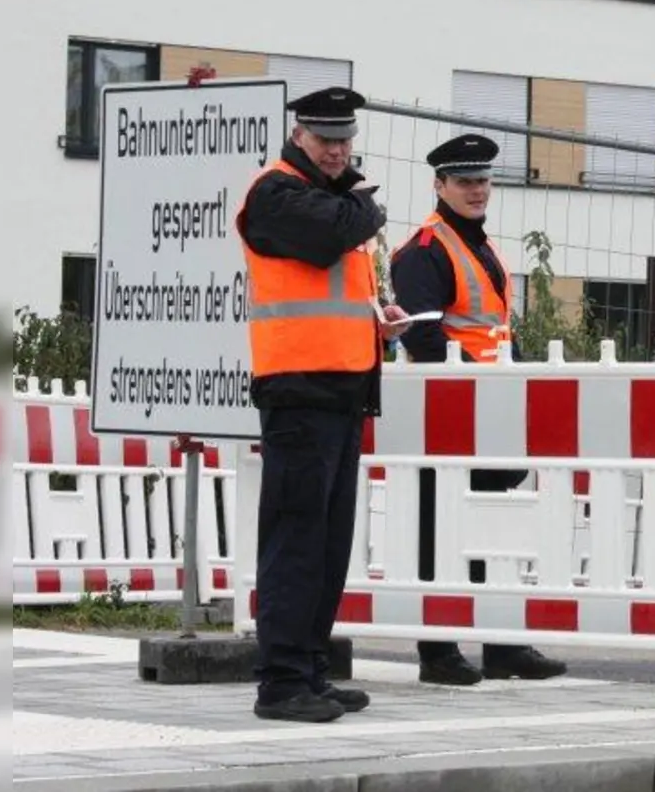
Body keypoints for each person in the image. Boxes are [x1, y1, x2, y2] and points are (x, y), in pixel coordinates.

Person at [236, 86, 410, 722]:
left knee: (329, 543)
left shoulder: (333, 199)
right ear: (299, 136)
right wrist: (365, 207)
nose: (338, 151)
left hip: (342, 388)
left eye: (344, 141)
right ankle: (280, 682)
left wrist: (377, 318)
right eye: (326, 140)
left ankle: (308, 669)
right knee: (297, 539)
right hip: (299, 387)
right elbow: (329, 235)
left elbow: (334, 269)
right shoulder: (274, 193)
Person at [389, 132, 568, 686]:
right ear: (439, 185)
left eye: (484, 181)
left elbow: (494, 330)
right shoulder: (423, 251)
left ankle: (502, 645)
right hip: (446, 411)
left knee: (495, 527)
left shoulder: (481, 247)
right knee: (438, 531)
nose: (477, 190)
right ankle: (438, 652)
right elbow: (422, 340)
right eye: (465, 181)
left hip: (490, 407)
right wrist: (485, 382)